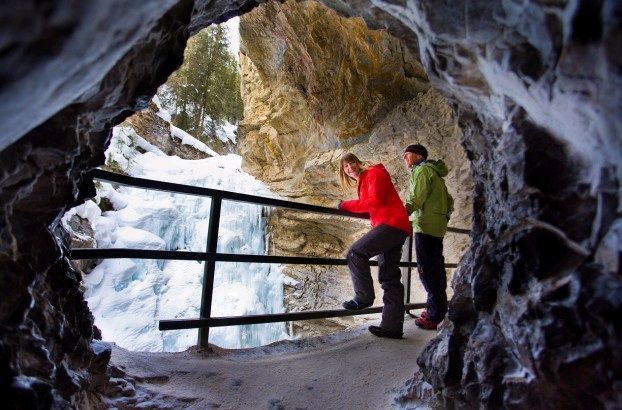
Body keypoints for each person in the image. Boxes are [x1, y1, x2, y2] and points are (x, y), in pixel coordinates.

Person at [337, 153, 412, 339]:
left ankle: (363, 298)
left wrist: (344, 205)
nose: (350, 167)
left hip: (391, 224)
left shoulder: (374, 174)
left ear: (358, 162)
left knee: (355, 253)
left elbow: (374, 202)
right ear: (343, 172)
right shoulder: (366, 178)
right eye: (345, 166)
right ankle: (392, 327)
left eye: (351, 162)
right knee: (390, 278)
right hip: (395, 226)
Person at [402, 144, 454, 330]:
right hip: (437, 226)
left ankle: (434, 316)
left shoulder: (421, 170)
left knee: (428, 271)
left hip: (425, 225)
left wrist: (402, 213)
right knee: (436, 269)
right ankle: (438, 308)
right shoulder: (436, 173)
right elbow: (449, 201)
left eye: (407, 155)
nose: (405, 159)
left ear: (418, 156)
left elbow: (417, 197)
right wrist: (444, 217)